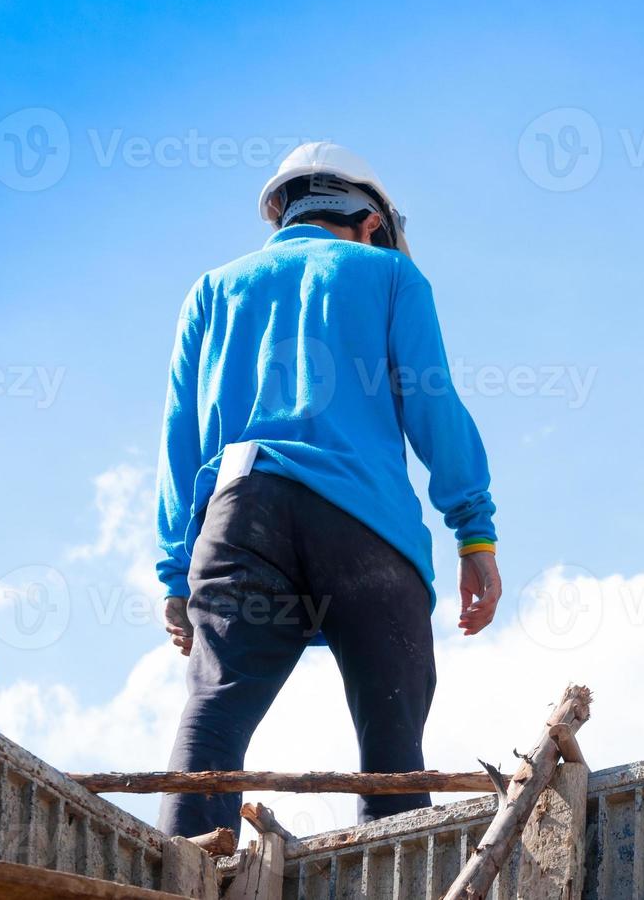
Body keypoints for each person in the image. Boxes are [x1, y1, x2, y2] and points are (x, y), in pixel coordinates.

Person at [152, 141, 502, 837]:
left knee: (213, 715)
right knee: (390, 738)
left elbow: (178, 435)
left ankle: (178, 878)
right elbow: (434, 406)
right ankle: (393, 875)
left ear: (281, 211)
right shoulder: (391, 276)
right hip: (365, 523)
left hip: (242, 508)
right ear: (371, 220)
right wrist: (475, 531)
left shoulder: (214, 289)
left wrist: (175, 572)